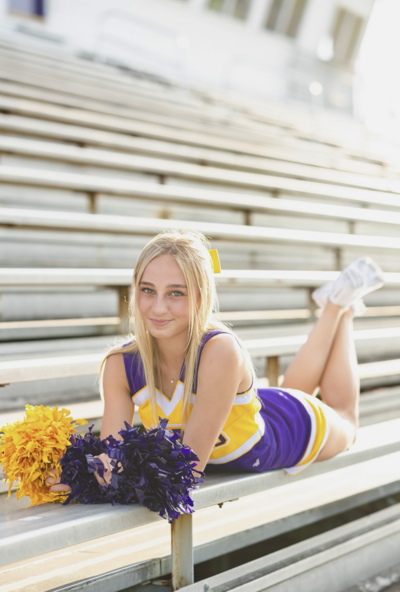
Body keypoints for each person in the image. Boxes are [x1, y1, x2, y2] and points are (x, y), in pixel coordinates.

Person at [47, 230, 384, 492]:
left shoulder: (220, 351)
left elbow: (187, 470)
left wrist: (109, 473)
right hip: (241, 415)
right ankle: (338, 302)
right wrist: (81, 474)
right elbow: (112, 457)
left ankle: (340, 308)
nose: (158, 307)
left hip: (288, 431)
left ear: (200, 297)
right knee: (291, 389)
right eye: (148, 290)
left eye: (176, 293)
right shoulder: (120, 364)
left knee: (346, 419)